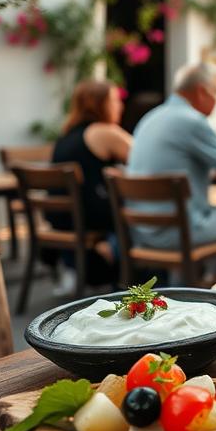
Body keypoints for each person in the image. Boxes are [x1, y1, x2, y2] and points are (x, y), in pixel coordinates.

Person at [127, 62, 216, 277]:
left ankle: (206, 282)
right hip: (178, 232)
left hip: (141, 231)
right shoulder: (193, 121)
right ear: (201, 91)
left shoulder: (150, 118)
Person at [49, 80, 132, 290]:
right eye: (114, 100)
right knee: (143, 211)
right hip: (91, 217)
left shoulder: (66, 135)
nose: (120, 106)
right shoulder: (103, 131)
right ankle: (116, 255)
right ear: (99, 104)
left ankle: (106, 250)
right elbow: (147, 157)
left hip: (64, 219)